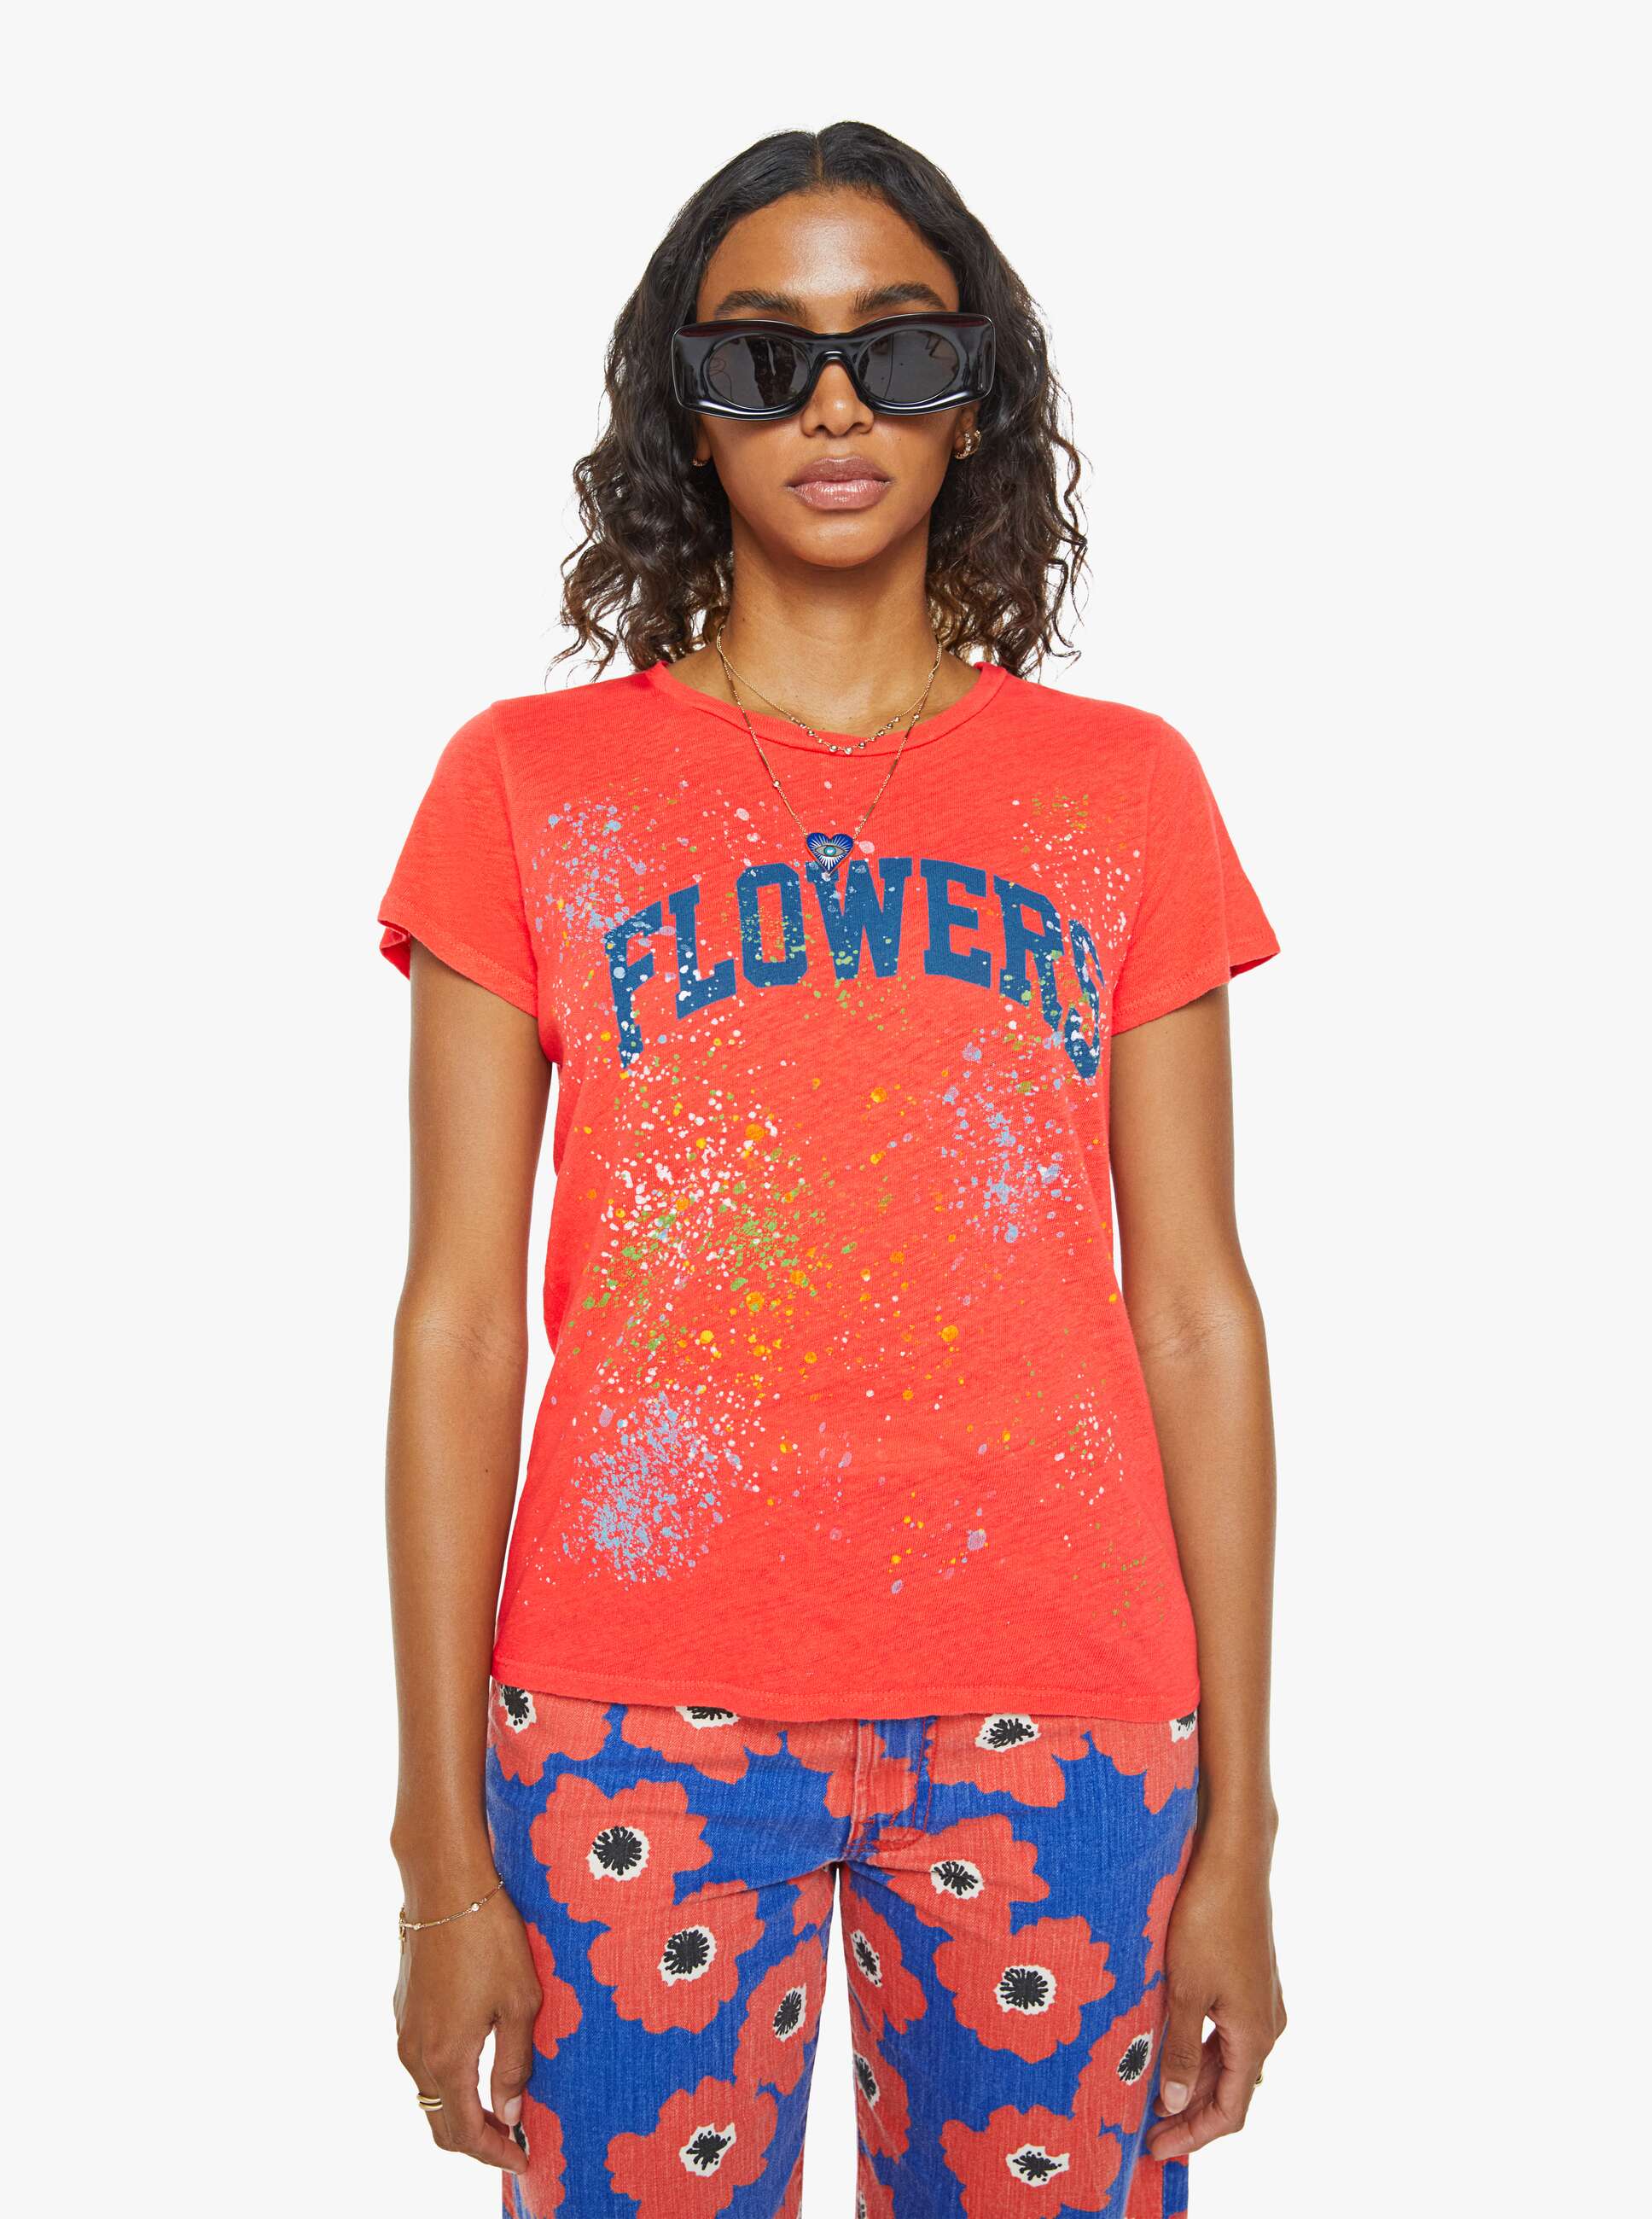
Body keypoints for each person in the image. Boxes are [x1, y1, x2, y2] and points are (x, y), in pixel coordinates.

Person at [377, 120, 1286, 2219]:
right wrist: (438, 1853)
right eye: (761, 358)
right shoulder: (524, 789)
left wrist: (1242, 1826)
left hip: (1064, 1722)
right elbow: (456, 1323)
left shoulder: (1124, 794)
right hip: (628, 1720)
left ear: (980, 393)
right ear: (679, 412)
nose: (837, 406)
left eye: (898, 346)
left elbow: (1194, 1309)